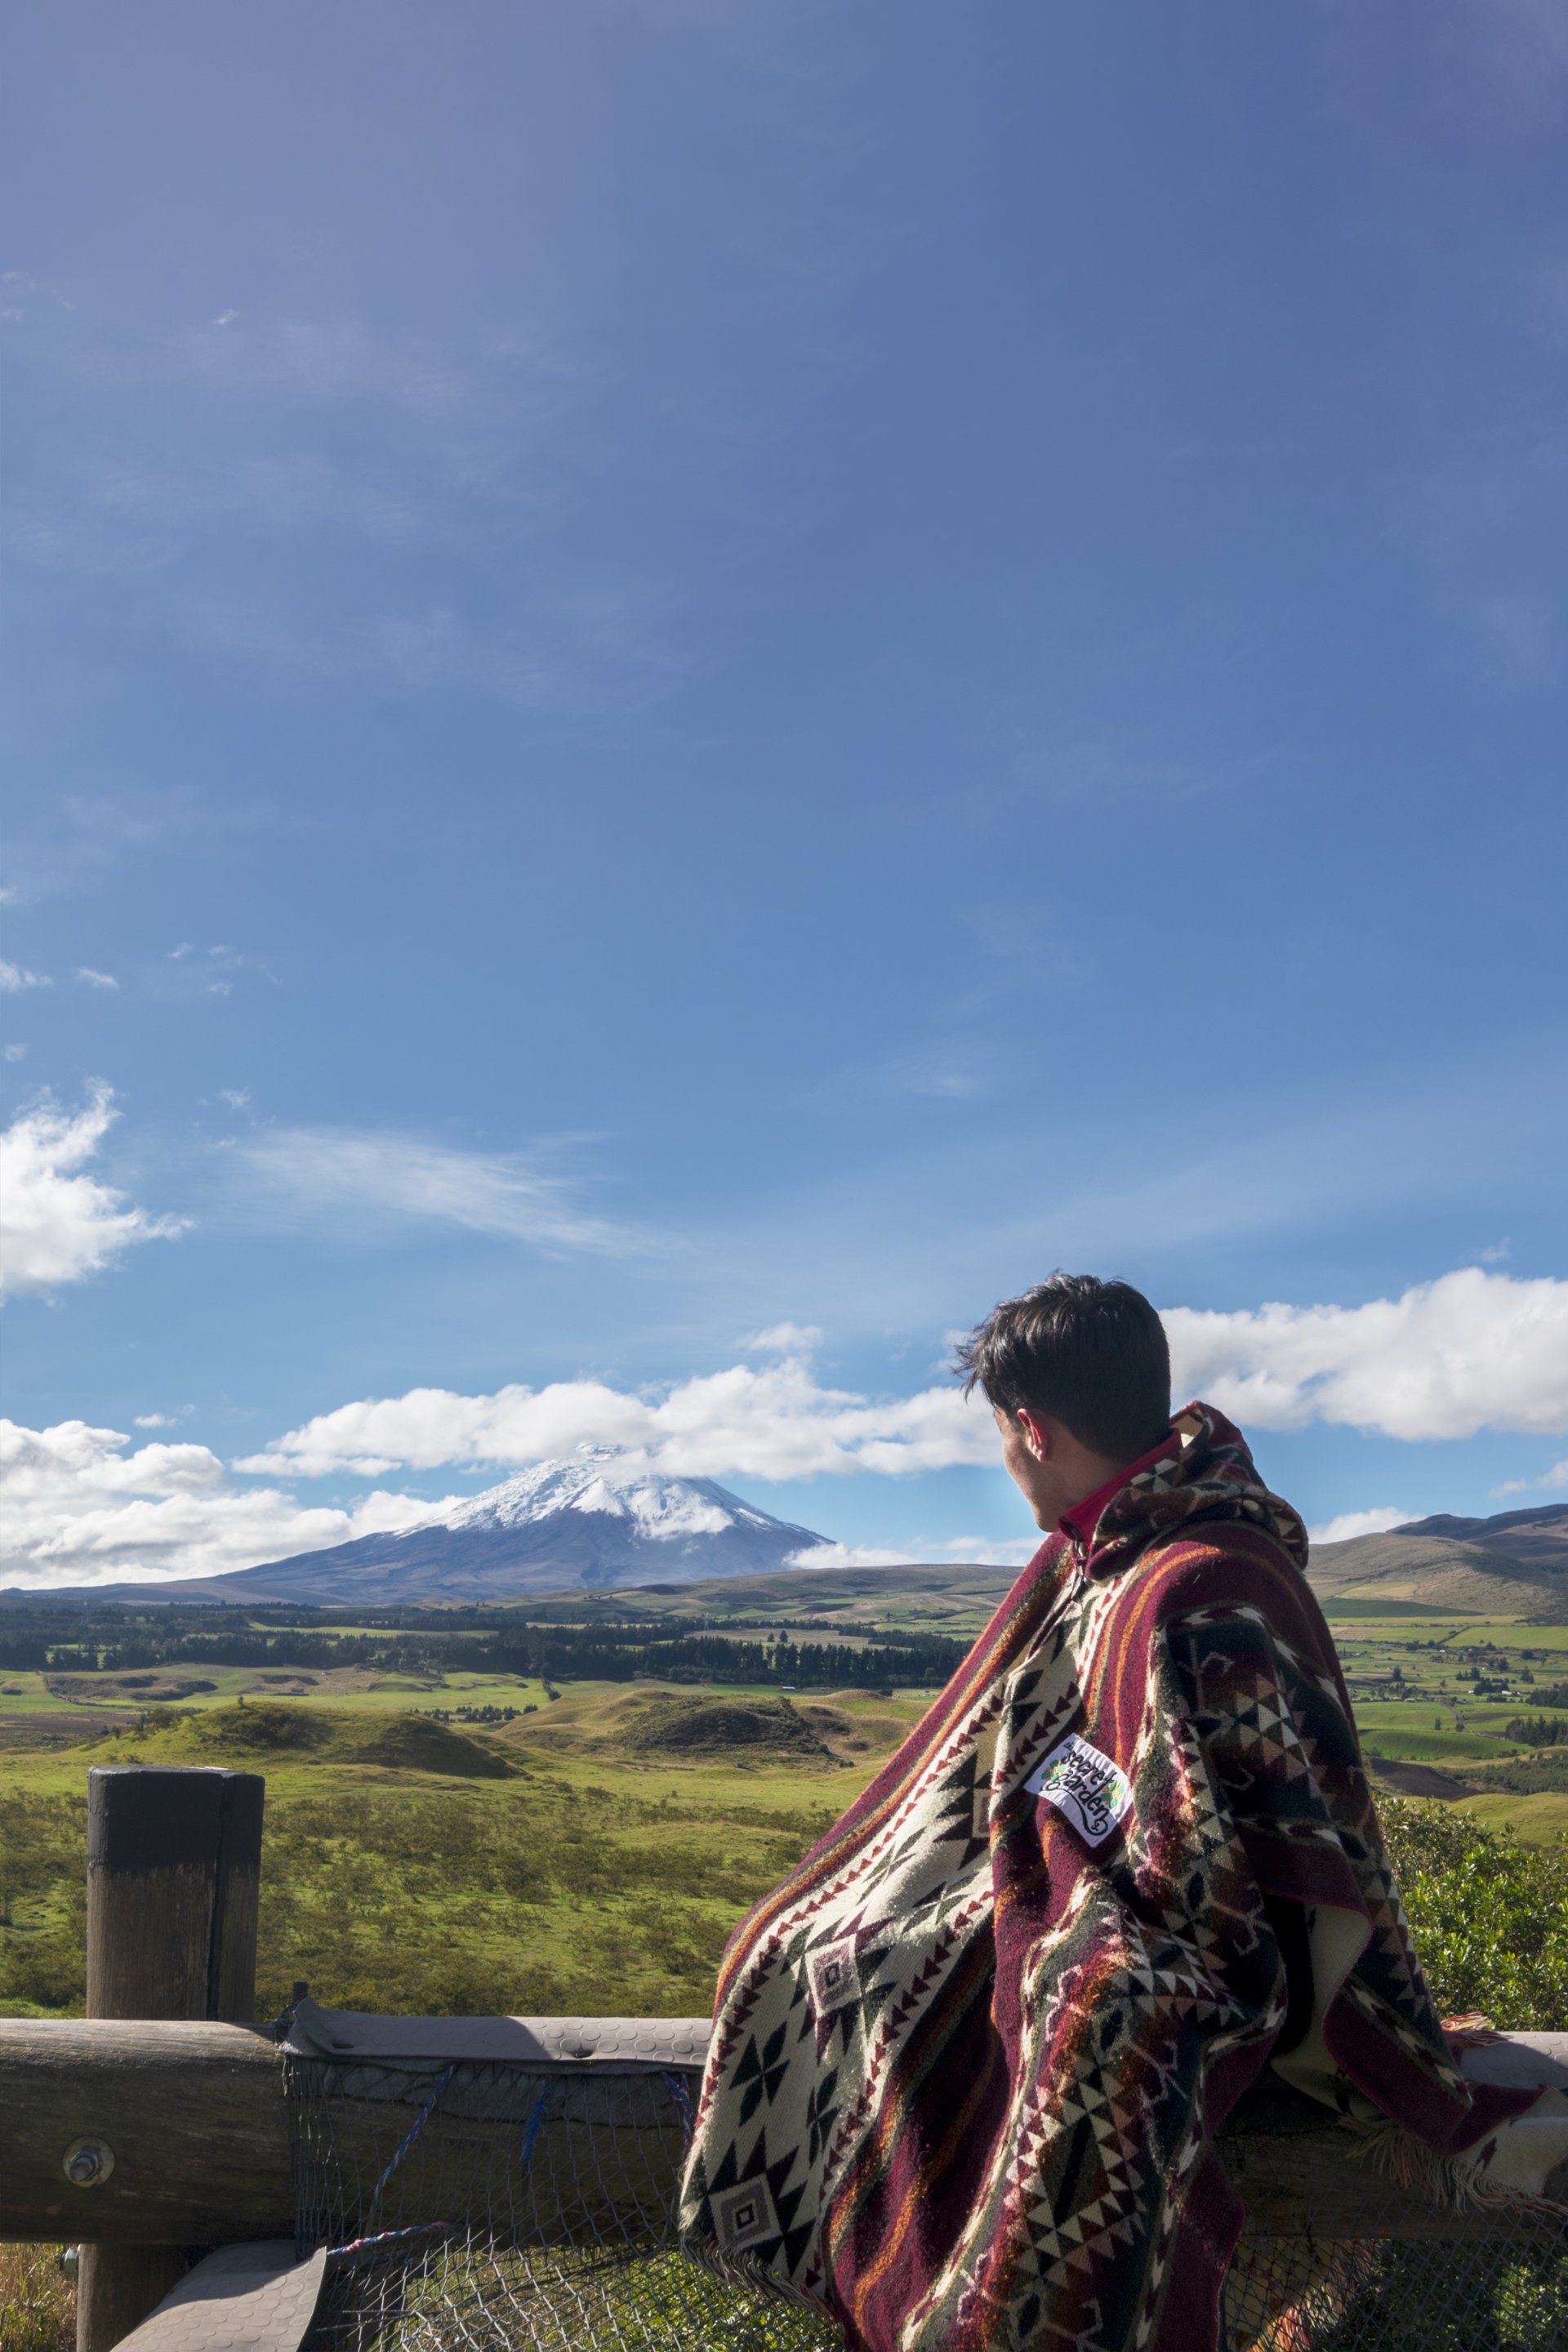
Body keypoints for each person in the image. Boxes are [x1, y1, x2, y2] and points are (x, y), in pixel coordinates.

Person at [680, 1275, 1533, 2352]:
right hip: (1130, 1871)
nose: (1005, 1458)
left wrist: (1080, 1885)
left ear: (1029, 1428)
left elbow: (1240, 1840)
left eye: (1000, 1434)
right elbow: (1060, 1765)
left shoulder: (1205, 1578)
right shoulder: (1108, 1553)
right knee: (817, 1952)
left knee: (1077, 2008)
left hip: (1232, 1944)